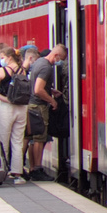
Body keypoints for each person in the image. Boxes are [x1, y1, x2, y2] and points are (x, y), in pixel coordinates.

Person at [0, 47, 30, 183]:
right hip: (21, 107)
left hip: (7, 107)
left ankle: (3, 170)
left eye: (2, 56)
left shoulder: (2, 71)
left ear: (9, 57)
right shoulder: (22, 70)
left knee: (2, 140)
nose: (2, 59)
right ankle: (17, 173)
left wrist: (6, 99)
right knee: (18, 141)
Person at [27, 45, 66, 182]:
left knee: (34, 138)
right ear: (56, 55)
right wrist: (52, 101)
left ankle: (32, 168)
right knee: (40, 138)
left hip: (32, 105)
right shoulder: (46, 67)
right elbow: (38, 89)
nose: (59, 62)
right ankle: (37, 168)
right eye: (60, 59)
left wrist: (50, 90)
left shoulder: (39, 62)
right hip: (39, 106)